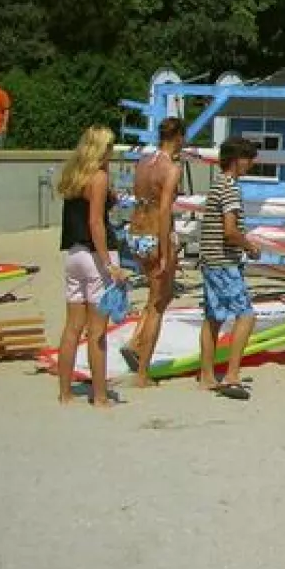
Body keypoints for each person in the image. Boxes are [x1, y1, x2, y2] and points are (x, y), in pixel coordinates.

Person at [54, 125, 128, 407]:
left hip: (73, 253)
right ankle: (99, 396)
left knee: (72, 327)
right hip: (96, 256)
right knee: (97, 331)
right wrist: (109, 264)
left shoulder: (73, 176)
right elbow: (95, 222)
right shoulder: (98, 177)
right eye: (109, 148)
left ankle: (65, 393)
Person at [197, 137, 262, 399]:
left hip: (210, 259)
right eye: (248, 160)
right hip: (224, 261)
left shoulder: (216, 184)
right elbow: (230, 230)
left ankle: (207, 376)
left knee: (213, 318)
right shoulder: (230, 188)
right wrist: (250, 247)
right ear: (238, 160)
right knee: (246, 315)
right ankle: (232, 374)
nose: (250, 166)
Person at [126, 117, 185, 387]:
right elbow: (164, 211)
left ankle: (136, 340)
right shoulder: (171, 169)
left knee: (155, 296)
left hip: (136, 232)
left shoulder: (143, 163)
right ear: (179, 137)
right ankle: (142, 372)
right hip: (154, 235)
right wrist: (165, 250)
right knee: (159, 302)